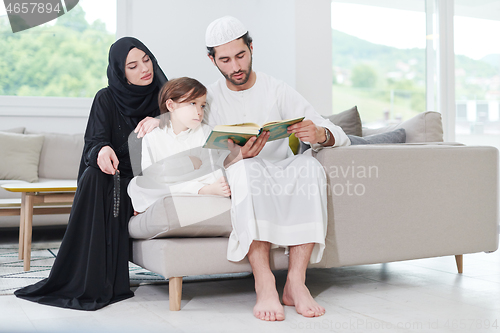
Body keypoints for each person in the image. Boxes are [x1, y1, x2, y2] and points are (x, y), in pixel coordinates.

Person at [204, 16, 351, 321]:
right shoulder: (209, 99)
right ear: (212, 60)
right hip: (244, 172)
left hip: (281, 170)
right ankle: (265, 282)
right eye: (226, 60)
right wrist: (238, 157)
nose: (235, 67)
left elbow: (334, 130)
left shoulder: (277, 89)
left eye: (241, 56)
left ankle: (296, 283)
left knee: (310, 167)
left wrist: (320, 134)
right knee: (247, 170)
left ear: (252, 48)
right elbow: (204, 160)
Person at [14, 37, 167, 311]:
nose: (144, 68)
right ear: (121, 72)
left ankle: (104, 280)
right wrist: (102, 151)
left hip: (147, 182)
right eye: (133, 65)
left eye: (147, 60)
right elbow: (94, 142)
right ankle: (89, 280)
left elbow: (192, 121)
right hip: (114, 177)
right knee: (95, 176)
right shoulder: (106, 98)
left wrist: (161, 120)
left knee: (107, 182)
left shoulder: (166, 99)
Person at [128, 77, 230, 214]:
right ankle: (199, 191)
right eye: (192, 103)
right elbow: (150, 174)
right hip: (174, 185)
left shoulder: (205, 132)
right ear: (171, 106)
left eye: (202, 106)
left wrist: (170, 172)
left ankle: (192, 192)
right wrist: (189, 163)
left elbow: (210, 170)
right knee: (135, 184)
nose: (199, 112)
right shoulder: (153, 136)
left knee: (217, 175)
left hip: (185, 184)